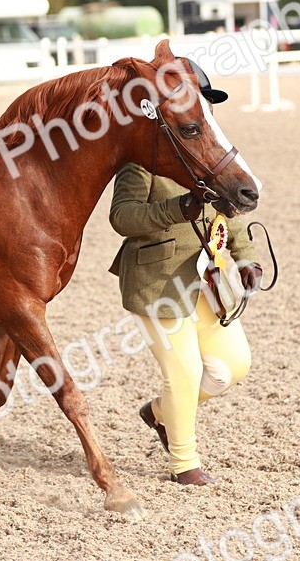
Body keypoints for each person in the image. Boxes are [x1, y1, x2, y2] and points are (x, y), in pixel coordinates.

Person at [108, 164, 263, 486]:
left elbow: (228, 214)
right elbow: (122, 217)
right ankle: (184, 463)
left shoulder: (209, 161)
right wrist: (176, 209)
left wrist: (245, 257)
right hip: (156, 283)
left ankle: (158, 413)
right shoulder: (140, 165)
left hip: (208, 283)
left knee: (232, 367)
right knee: (185, 373)